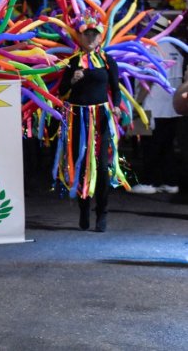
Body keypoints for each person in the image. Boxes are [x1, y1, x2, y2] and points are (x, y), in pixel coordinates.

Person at [55, 15, 125, 233]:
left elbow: (116, 88)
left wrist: (116, 106)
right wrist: (72, 80)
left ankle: (101, 213)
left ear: (99, 37)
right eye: (87, 34)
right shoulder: (73, 61)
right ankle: (84, 209)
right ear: (81, 37)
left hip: (100, 118)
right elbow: (61, 91)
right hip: (77, 118)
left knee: (102, 167)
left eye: (94, 34)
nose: (91, 38)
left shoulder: (107, 61)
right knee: (81, 164)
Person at [135, 35, 183, 194]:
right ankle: (170, 182)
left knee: (148, 146)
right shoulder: (176, 50)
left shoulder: (152, 50)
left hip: (150, 106)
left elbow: (148, 79)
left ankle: (149, 182)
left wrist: (137, 103)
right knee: (167, 147)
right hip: (172, 108)